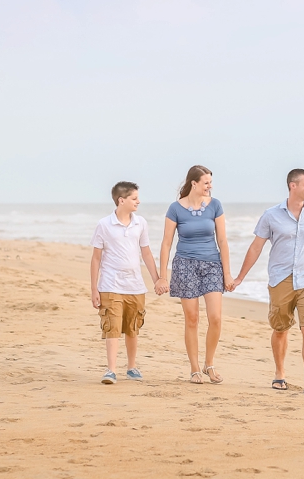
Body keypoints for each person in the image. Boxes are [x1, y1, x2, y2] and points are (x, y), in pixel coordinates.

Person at [231, 169, 304, 394]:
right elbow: (257, 246)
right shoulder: (271, 215)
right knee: (280, 329)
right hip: (280, 279)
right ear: (292, 186)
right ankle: (280, 374)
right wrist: (240, 277)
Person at [155, 165, 233, 385]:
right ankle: (195, 369)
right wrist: (163, 276)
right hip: (185, 265)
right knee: (192, 319)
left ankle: (209, 364)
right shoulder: (175, 209)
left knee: (215, 318)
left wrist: (227, 274)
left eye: (211, 183)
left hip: (212, 265)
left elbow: (223, 241)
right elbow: (166, 243)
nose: (210, 186)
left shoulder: (215, 205)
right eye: (206, 182)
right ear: (194, 184)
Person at [90, 181, 161, 384]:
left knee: (132, 327)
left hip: (135, 286)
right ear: (122, 200)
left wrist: (157, 279)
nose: (138, 201)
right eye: (134, 198)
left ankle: (132, 367)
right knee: (111, 326)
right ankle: (110, 370)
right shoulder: (104, 224)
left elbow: (146, 253)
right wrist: (94, 288)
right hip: (110, 285)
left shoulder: (141, 223)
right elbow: (96, 258)